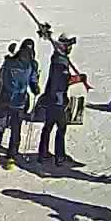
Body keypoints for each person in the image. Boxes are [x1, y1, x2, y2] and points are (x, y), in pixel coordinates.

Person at [0, 39, 39, 170]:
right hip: (19, 102)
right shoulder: (32, 64)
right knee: (15, 131)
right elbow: (33, 81)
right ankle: (11, 157)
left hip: (3, 101)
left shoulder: (9, 62)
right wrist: (35, 89)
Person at [35, 32, 82, 166]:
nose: (70, 49)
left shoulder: (59, 59)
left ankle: (42, 153)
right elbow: (63, 81)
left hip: (51, 98)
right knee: (61, 128)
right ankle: (59, 156)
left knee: (48, 127)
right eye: (69, 46)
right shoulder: (60, 62)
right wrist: (77, 79)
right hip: (57, 100)